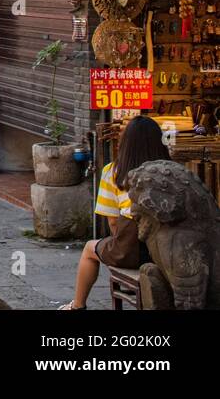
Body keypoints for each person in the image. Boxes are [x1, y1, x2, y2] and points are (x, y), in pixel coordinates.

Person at [59, 115, 171, 310]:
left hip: (132, 250)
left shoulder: (114, 172)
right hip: (168, 249)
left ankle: (77, 306)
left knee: (88, 249)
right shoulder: (171, 171)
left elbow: (112, 224)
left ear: (125, 143)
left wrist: (118, 247)